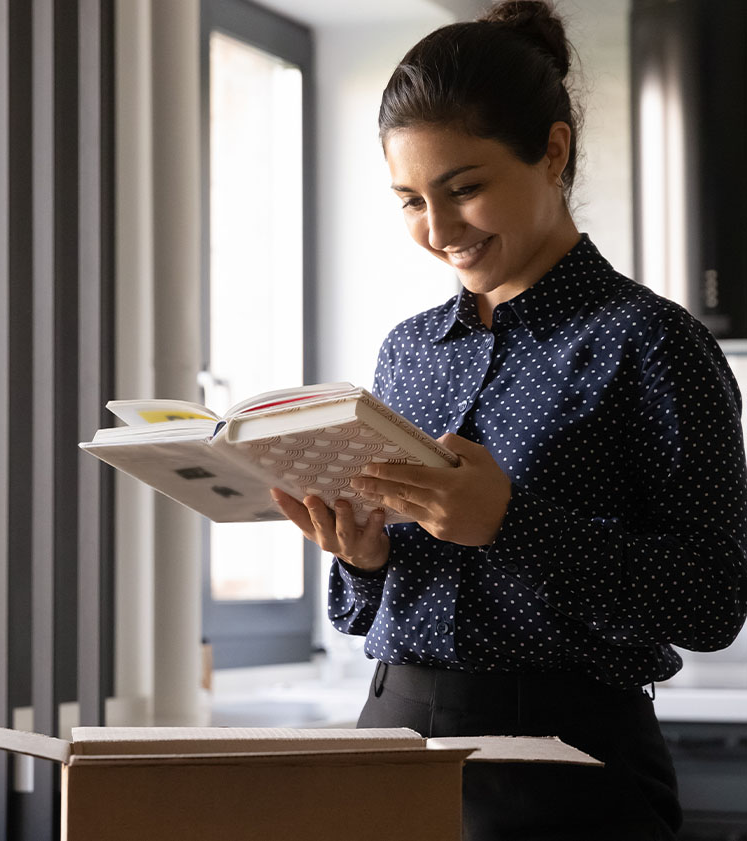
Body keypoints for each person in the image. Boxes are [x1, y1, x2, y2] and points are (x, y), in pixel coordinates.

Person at [270, 1, 747, 838]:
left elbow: (710, 604)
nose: (439, 229)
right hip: (388, 739)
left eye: (465, 189)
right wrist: (363, 557)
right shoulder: (408, 351)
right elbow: (361, 613)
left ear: (552, 150)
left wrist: (511, 524)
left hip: (567, 763)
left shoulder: (654, 345)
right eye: (410, 200)